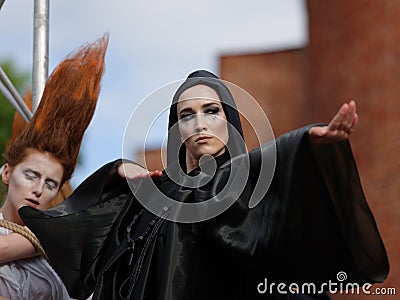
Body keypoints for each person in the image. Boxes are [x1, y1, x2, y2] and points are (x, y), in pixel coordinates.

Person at [20, 70, 389, 300]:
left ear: (228, 119)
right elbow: (78, 230)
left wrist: (306, 142)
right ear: (176, 129)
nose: (198, 124)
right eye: (186, 115)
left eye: (211, 112)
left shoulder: (246, 183)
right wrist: (115, 173)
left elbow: (261, 173)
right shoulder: (157, 193)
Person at [0, 34, 109, 300]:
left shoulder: (57, 259)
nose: (38, 189)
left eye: (50, 184)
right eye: (31, 175)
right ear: (6, 172)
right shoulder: (57, 242)